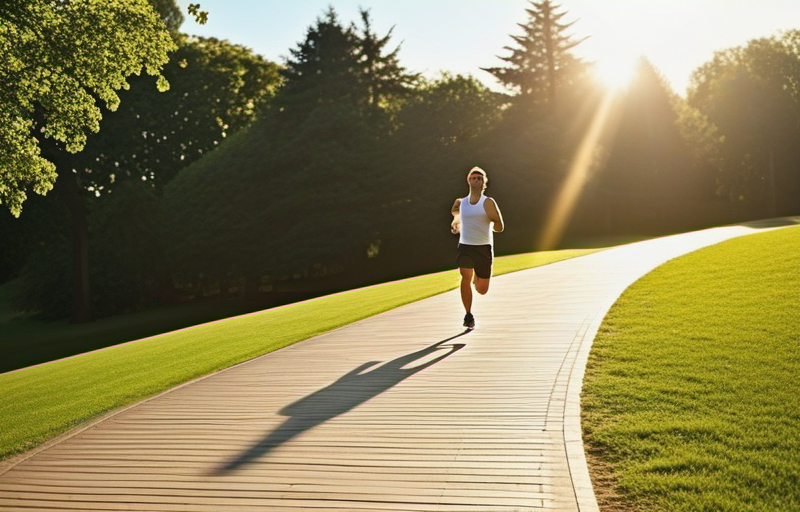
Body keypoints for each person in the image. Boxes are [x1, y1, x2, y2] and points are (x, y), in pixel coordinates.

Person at [450, 166, 504, 329]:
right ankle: (468, 315)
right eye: (473, 177)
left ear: (483, 183)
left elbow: (499, 226)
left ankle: (477, 278)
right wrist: (455, 227)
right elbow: (456, 221)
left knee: (482, 289)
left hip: (483, 248)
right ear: (468, 181)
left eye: (479, 178)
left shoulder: (488, 202)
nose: (476, 180)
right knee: (464, 277)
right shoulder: (460, 203)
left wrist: (492, 224)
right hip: (466, 246)